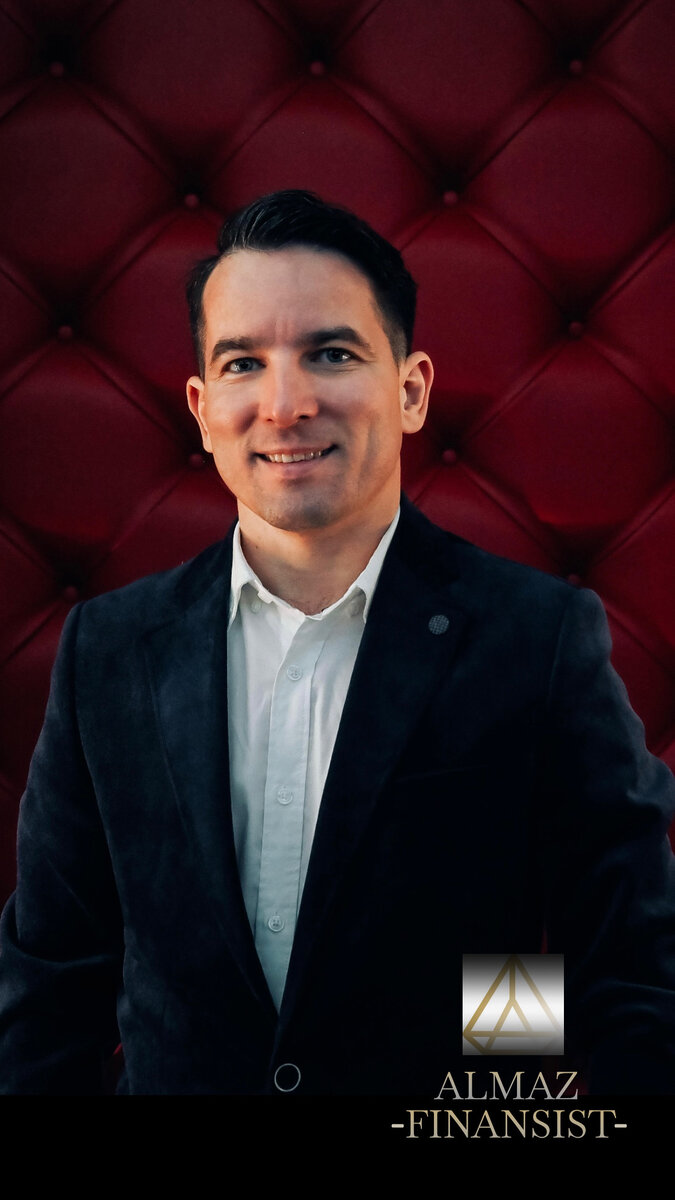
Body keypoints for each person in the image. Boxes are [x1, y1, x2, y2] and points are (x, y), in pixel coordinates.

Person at [0, 190, 674, 1096]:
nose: (285, 404)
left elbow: (627, 968)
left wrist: (493, 1078)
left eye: (330, 353)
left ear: (410, 390)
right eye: (243, 363)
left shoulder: (534, 638)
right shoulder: (109, 651)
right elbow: (51, 985)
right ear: (202, 408)